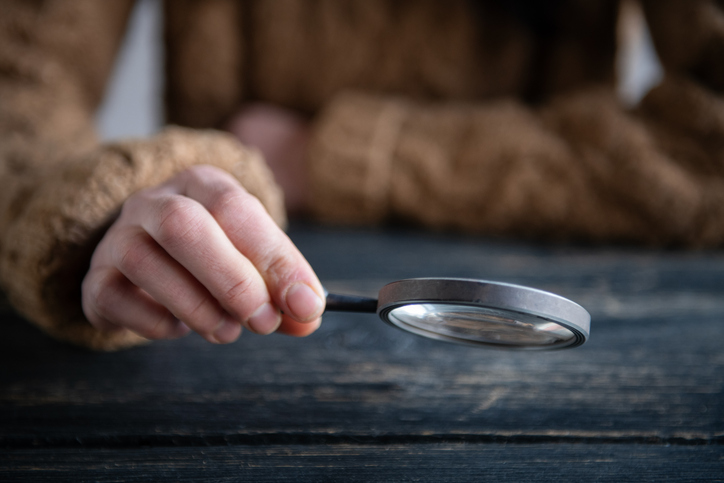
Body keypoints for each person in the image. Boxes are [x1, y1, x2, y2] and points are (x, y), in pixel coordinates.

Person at [1, 0, 722, 350]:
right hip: (208, 331)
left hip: (573, 285)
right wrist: (99, 201)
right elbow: (20, 78)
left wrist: (333, 157)